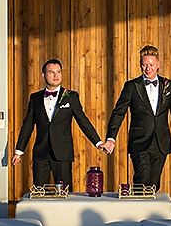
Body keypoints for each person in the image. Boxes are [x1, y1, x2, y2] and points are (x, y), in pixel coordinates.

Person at [102, 45, 171, 190]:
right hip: (140, 141)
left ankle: (149, 211)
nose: (148, 68)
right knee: (142, 178)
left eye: (151, 65)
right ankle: (138, 210)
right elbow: (119, 112)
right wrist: (111, 138)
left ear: (158, 64)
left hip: (161, 142)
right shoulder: (132, 86)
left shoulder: (168, 85)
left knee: (154, 183)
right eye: (145, 65)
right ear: (140, 65)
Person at [12, 58, 104, 189]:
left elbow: (83, 121)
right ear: (43, 75)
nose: (56, 75)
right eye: (51, 72)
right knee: (39, 192)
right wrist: (19, 151)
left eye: (58, 72)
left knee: (64, 194)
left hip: (62, 153)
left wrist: (98, 142)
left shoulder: (71, 96)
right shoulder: (35, 98)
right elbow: (27, 126)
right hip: (41, 153)